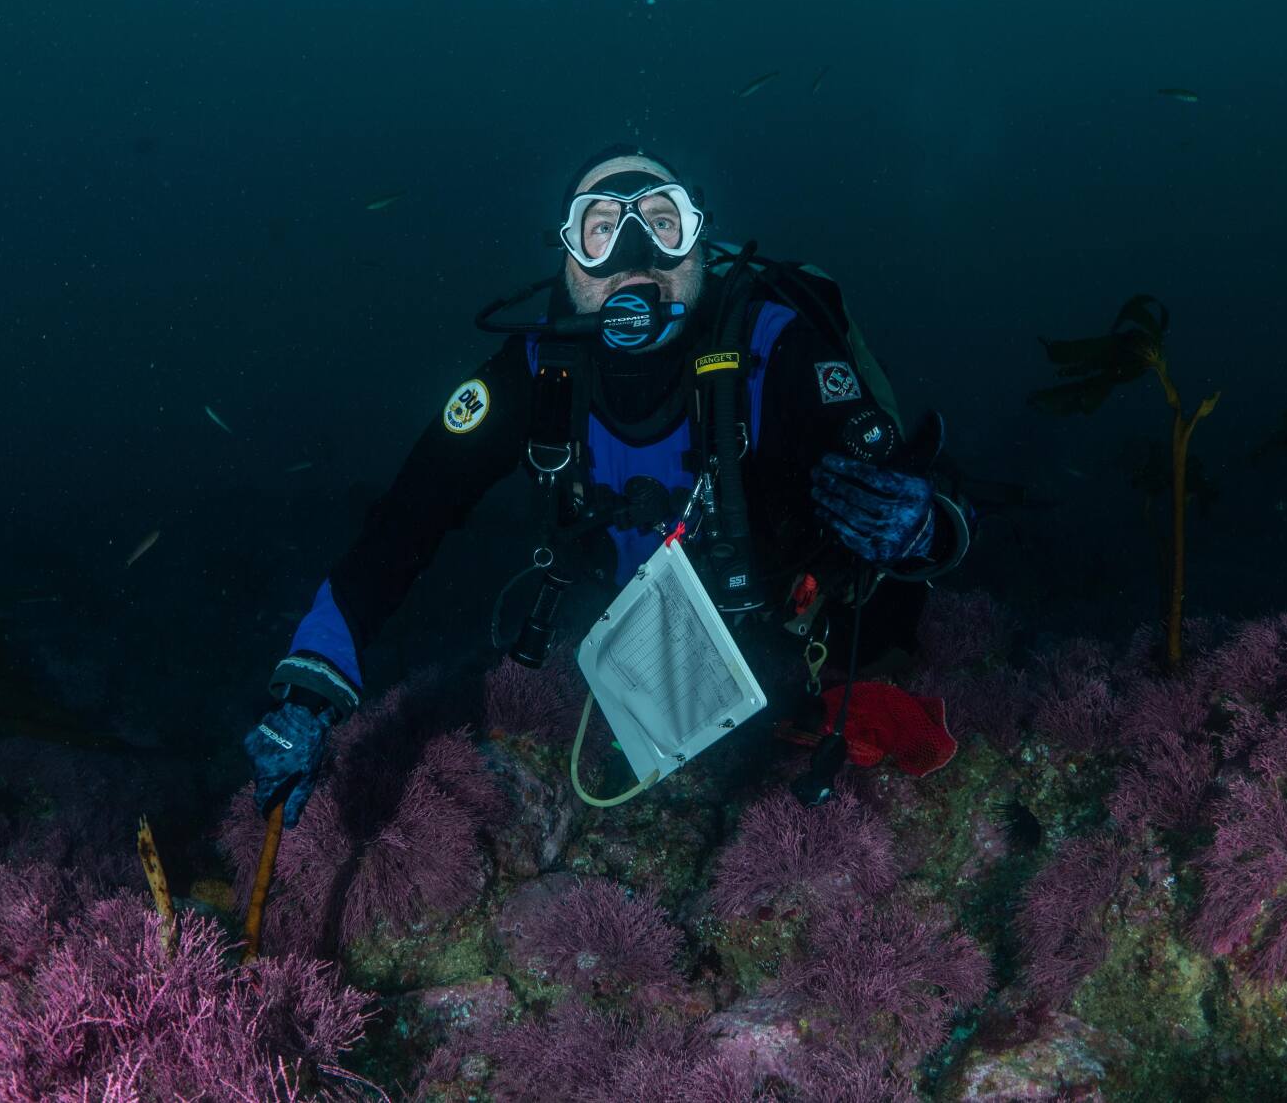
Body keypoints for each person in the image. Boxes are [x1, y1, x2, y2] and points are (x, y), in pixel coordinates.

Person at [245, 146, 972, 825]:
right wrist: (313, 679)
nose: (634, 256)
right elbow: (407, 520)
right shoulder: (530, 374)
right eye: (601, 231)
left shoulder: (773, 342)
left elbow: (910, 498)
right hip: (638, 644)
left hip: (787, 626)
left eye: (661, 223)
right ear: (568, 260)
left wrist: (919, 525)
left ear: (697, 244)